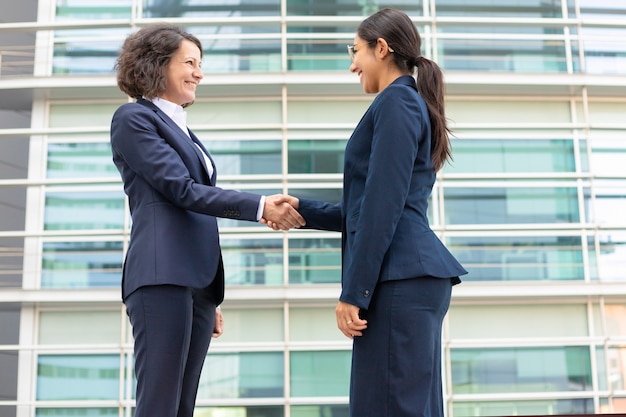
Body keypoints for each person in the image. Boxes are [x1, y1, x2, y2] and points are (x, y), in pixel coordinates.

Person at [265, 8, 467, 417]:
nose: (352, 63)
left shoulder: (397, 103)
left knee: (388, 407)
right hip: (409, 275)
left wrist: (354, 292)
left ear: (381, 48)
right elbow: (372, 205)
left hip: (399, 279)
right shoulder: (404, 103)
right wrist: (305, 210)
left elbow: (383, 205)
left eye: (355, 51)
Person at [110, 23, 304, 417]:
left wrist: (205, 292)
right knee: (159, 402)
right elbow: (181, 190)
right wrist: (261, 206)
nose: (199, 73)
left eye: (201, 64)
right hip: (161, 275)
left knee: (182, 405)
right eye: (190, 62)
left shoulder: (181, 127)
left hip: (194, 285)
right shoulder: (133, 119)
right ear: (157, 65)